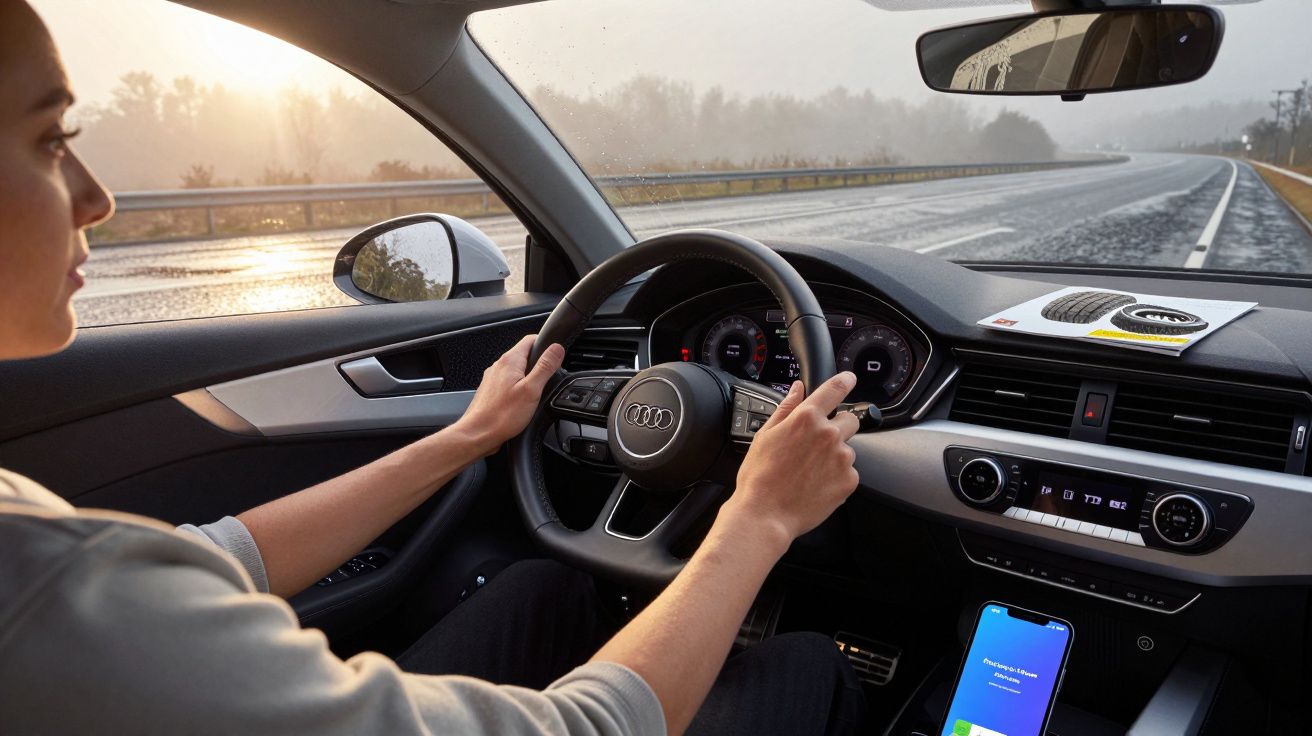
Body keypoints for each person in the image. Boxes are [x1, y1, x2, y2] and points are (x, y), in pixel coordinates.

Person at [0, 1, 867, 733]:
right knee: (809, 665)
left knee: (545, 591)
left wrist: (467, 438)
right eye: (49, 140)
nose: (96, 197)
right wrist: (757, 517)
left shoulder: (40, 551)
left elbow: (219, 560)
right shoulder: (44, 585)